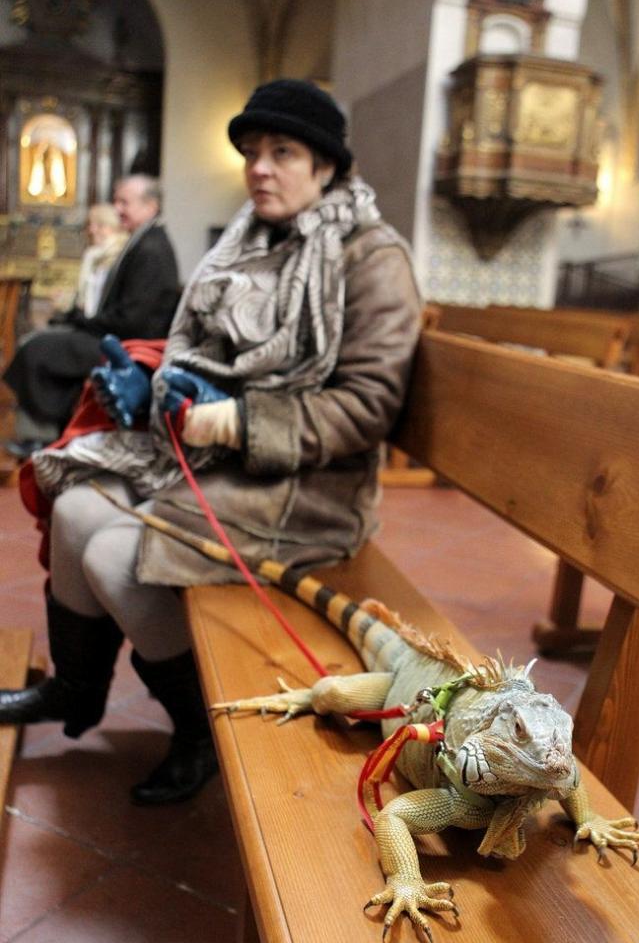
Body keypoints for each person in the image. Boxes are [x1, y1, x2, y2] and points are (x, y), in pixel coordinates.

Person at [0, 80, 423, 807]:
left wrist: (233, 421)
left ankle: (200, 728)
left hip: (309, 489)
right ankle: (76, 688)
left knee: (112, 554)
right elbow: (206, 359)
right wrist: (153, 384)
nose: (260, 168)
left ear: (325, 166)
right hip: (218, 462)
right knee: (72, 507)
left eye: (282, 152)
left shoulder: (370, 257)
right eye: (252, 152)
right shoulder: (247, 243)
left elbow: (367, 408)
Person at [3, 175, 180, 456]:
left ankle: (40, 437)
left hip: (130, 347)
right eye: (116, 201)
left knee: (36, 350)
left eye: (124, 202)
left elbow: (133, 321)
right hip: (117, 336)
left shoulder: (151, 248)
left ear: (150, 206)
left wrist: (82, 321)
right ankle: (51, 430)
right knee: (41, 342)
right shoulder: (144, 240)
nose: (117, 208)